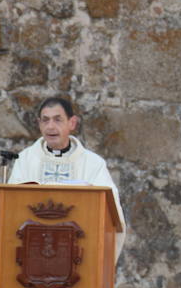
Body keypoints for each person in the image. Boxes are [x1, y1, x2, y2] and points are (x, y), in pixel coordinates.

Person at [8, 97, 126, 259]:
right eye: (45, 120)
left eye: (58, 120)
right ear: (39, 123)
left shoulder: (93, 164)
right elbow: (11, 208)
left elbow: (110, 211)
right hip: (33, 250)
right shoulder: (25, 160)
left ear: (72, 123)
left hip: (79, 253)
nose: (50, 126)